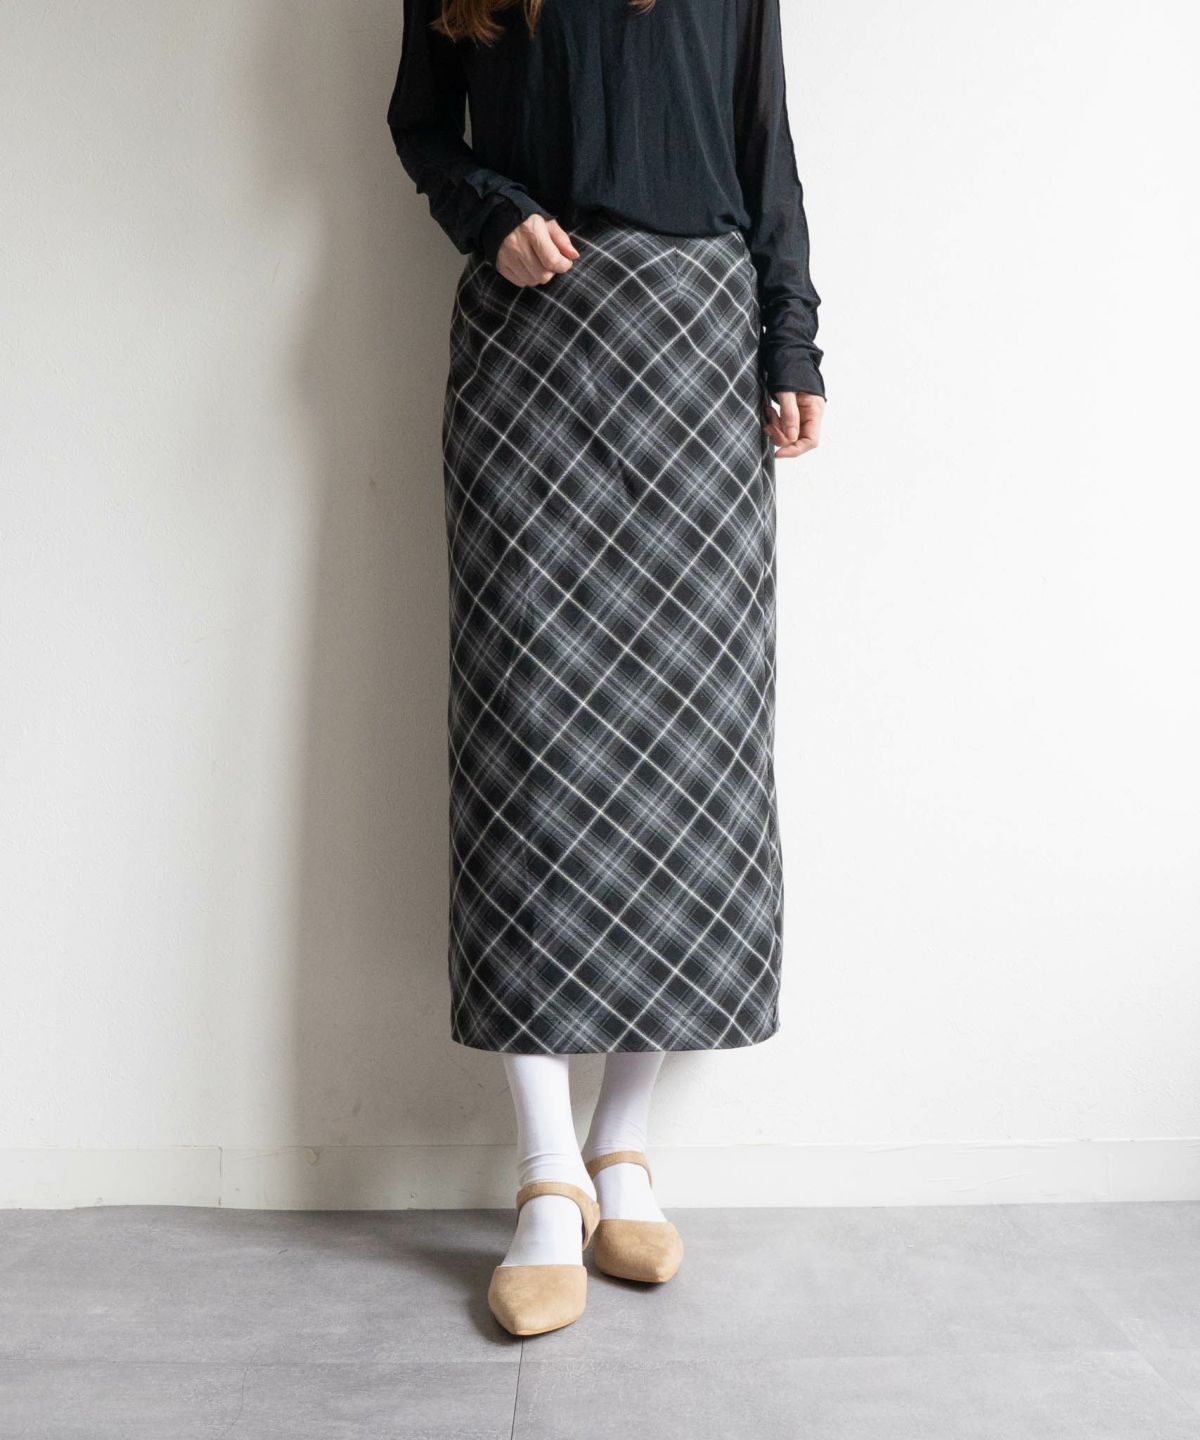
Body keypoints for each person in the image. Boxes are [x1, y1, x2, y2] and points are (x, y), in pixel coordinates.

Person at [387, 0, 825, 1337]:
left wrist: (792, 338)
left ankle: (621, 1152)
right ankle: (543, 1175)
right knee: (526, 757)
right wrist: (491, 214)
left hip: (694, 355)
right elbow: (421, 127)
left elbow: (765, 151)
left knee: (689, 769)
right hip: (533, 351)